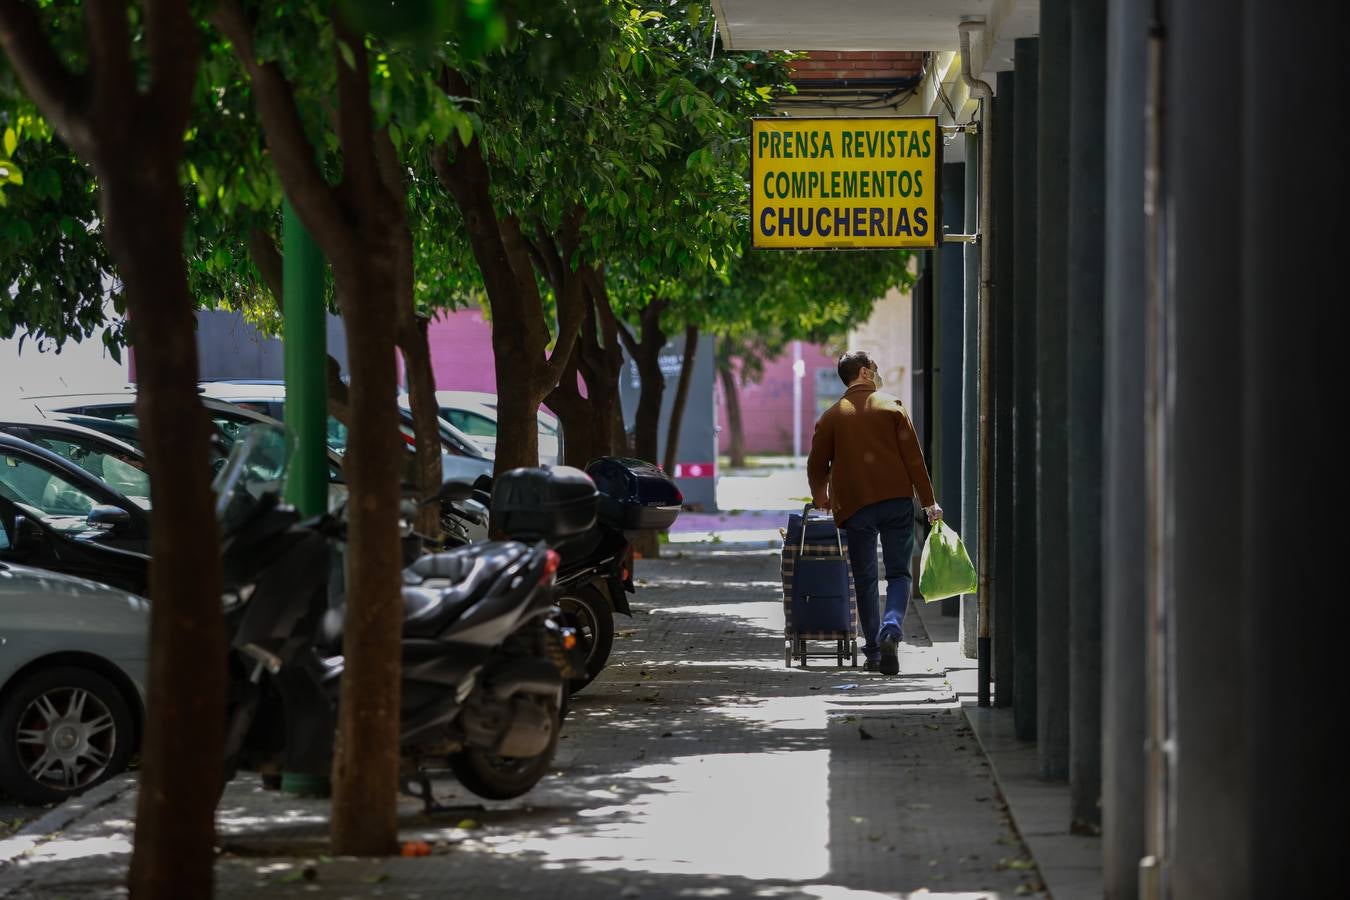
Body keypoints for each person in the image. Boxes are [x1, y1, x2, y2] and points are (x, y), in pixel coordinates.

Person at [806, 351, 941, 675]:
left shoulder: (832, 417)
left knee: (865, 580)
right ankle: (890, 630)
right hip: (896, 501)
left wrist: (821, 497)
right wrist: (929, 502)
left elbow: (816, 465)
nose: (878, 374)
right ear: (865, 372)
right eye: (875, 369)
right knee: (898, 574)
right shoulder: (892, 407)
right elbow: (914, 460)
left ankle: (873, 653)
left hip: (855, 508)